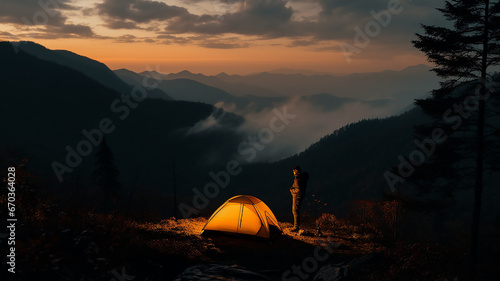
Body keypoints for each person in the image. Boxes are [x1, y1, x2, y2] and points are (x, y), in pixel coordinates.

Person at [290, 165, 309, 232]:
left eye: (293, 171)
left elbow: (298, 189)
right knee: (296, 210)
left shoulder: (297, 178)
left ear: (295, 171)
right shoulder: (302, 177)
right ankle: (296, 225)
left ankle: (296, 226)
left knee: (295, 210)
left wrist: (292, 191)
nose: (293, 173)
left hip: (297, 196)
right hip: (301, 195)